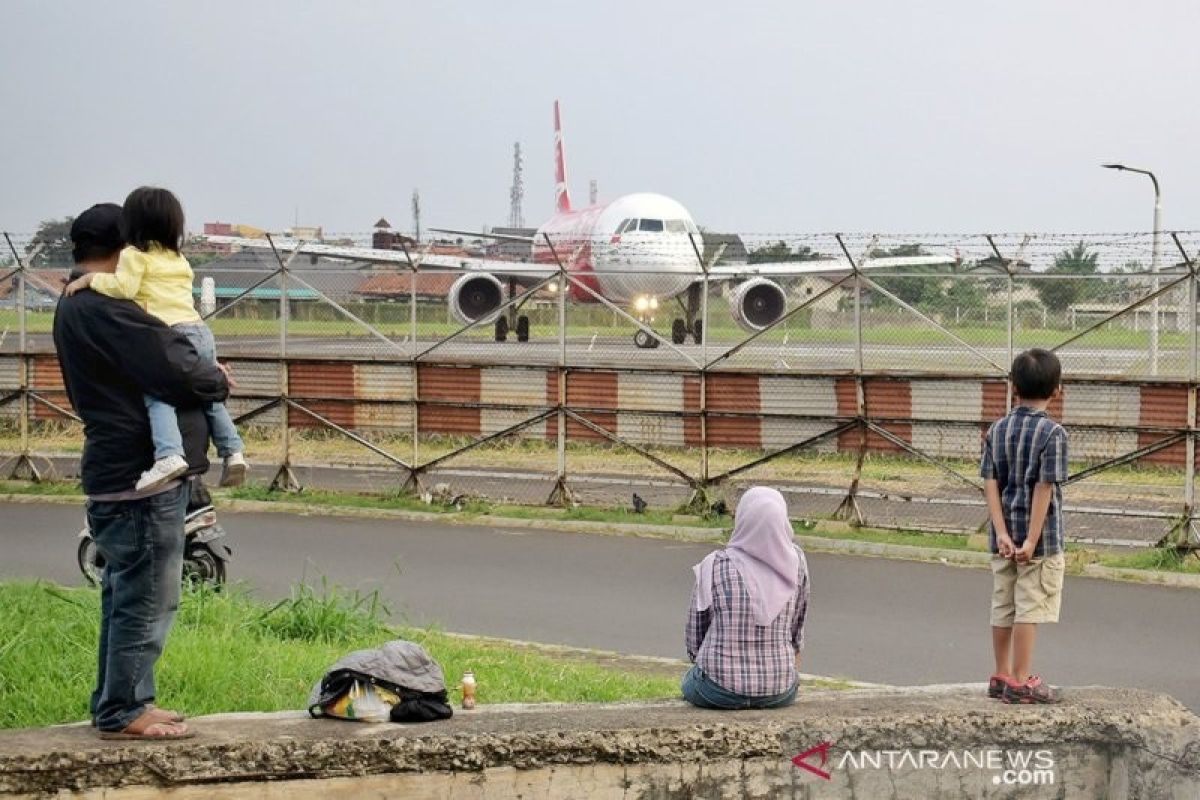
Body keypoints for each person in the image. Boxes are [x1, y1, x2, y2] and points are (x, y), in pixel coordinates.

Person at [54, 203, 230, 739]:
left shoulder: (77, 303)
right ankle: (126, 709)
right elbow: (175, 368)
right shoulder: (107, 309)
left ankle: (117, 702)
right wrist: (214, 379)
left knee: (124, 589)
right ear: (124, 248)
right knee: (147, 595)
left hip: (113, 466)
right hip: (138, 472)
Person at [65, 186, 246, 492]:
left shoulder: (134, 259)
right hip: (199, 329)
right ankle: (233, 451)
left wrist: (90, 280)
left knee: (158, 396)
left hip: (174, 330)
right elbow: (202, 382)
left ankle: (168, 454)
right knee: (212, 402)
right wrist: (212, 377)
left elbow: (125, 289)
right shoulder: (178, 258)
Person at [981, 348, 1068, 704]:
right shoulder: (1053, 434)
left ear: (1013, 386)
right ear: (1057, 389)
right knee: (1029, 607)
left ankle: (1001, 673)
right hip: (1040, 542)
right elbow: (1044, 487)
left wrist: (1001, 532)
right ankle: (1021, 680)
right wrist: (1031, 539)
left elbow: (989, 482)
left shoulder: (997, 429)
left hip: (1001, 538)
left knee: (1003, 603)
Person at [682, 486, 810, 709]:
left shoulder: (714, 565)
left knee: (689, 682)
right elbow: (797, 626)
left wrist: (704, 663)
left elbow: (695, 635)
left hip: (717, 690)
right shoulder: (796, 562)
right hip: (780, 691)